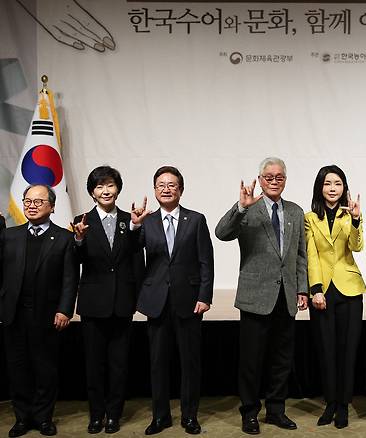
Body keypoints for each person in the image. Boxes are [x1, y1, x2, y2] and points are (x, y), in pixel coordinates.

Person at [215, 157, 308, 435]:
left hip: (286, 296)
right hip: (256, 296)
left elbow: (300, 255)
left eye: (279, 177)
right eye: (269, 177)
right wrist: (241, 207)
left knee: (282, 358)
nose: (274, 181)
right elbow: (222, 233)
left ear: (285, 180)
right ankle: (250, 412)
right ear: (261, 179)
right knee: (251, 360)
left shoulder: (295, 211)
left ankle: (276, 410)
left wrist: (302, 288)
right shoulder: (250, 210)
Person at [130, 166, 214, 435]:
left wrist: (204, 296)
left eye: (172, 184)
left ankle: (190, 416)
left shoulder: (196, 220)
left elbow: (206, 262)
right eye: (160, 185)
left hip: (189, 302)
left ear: (181, 189)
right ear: (154, 190)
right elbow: (131, 252)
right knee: (157, 363)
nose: (166, 189)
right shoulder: (147, 221)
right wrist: (134, 226)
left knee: (190, 363)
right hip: (156, 301)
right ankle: (160, 417)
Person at [0, 184, 78, 437]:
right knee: (18, 369)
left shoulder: (64, 238)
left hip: (46, 316)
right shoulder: (9, 236)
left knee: (46, 369)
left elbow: (70, 279)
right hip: (13, 315)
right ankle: (22, 418)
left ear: (52, 206)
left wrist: (65, 310)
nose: (31, 206)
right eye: (28, 201)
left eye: (38, 201)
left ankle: (44, 418)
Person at [71, 166, 144, 434]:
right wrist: (78, 239)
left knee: (119, 364)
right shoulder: (82, 221)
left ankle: (114, 415)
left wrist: (136, 228)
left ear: (117, 189)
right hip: (93, 304)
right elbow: (75, 261)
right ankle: (96, 415)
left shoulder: (130, 220)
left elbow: (137, 259)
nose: (106, 190)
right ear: (92, 192)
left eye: (110, 185)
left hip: (122, 303)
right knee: (94, 365)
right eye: (100, 186)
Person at [304, 165, 366, 429]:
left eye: (338, 184)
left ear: (344, 188)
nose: (332, 188)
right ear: (320, 187)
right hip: (323, 291)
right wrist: (315, 289)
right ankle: (330, 403)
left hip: (349, 289)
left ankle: (344, 405)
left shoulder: (351, 214)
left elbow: (357, 246)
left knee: (347, 351)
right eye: (328, 183)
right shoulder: (309, 217)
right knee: (326, 350)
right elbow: (311, 254)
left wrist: (355, 219)